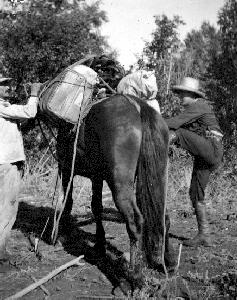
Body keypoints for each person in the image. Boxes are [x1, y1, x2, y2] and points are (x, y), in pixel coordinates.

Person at [165, 77, 223, 247]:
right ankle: (204, 234)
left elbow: (175, 123)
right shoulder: (194, 109)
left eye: (183, 94)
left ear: (192, 94)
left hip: (211, 149)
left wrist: (150, 120)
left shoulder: (199, 106)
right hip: (205, 155)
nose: (180, 97)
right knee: (195, 193)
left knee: (179, 132)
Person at [0, 75, 41, 272]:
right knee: (7, 206)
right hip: (5, 164)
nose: (8, 87)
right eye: (3, 84)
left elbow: (15, 127)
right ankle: (0, 250)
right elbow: (28, 111)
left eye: (8, 83)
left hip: (7, 163)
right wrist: (34, 94)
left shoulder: (6, 107)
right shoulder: (2, 106)